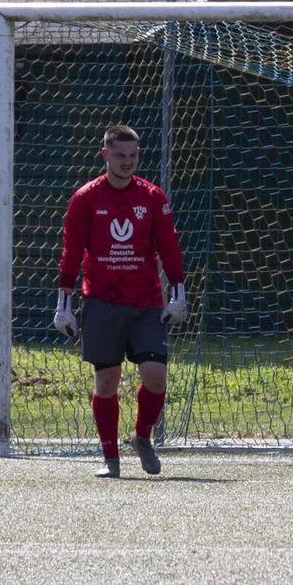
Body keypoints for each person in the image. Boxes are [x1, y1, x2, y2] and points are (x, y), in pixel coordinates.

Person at [53, 125, 188, 479]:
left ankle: (142, 437)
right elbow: (71, 252)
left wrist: (179, 293)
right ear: (105, 155)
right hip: (101, 301)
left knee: (156, 376)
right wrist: (62, 305)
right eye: (120, 156)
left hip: (146, 302)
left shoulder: (153, 197)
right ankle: (110, 459)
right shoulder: (85, 198)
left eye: (133, 156)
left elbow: (169, 248)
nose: (127, 163)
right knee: (107, 382)